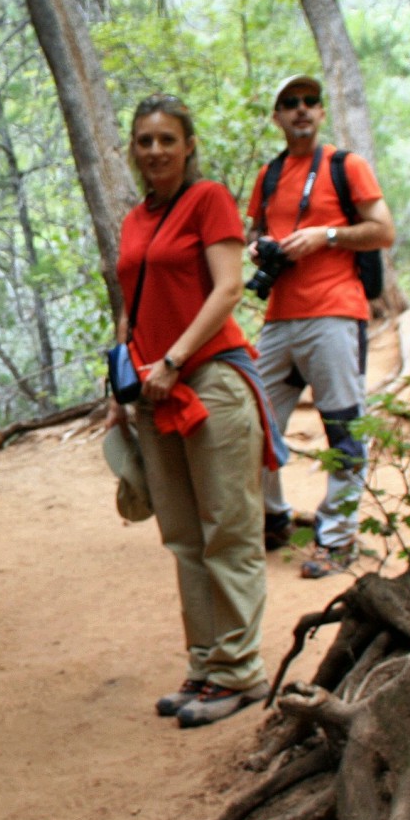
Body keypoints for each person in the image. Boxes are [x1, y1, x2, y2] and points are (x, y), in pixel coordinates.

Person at [111, 95, 287, 728]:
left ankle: (241, 672)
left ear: (188, 146)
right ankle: (207, 662)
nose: (155, 150)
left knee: (228, 529)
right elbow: (134, 300)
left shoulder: (208, 199)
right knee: (184, 536)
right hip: (152, 390)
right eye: (144, 140)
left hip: (207, 381)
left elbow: (229, 288)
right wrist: (122, 380)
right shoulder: (135, 219)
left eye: (166, 139)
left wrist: (176, 359)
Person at [243, 73, 397, 580]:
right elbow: (253, 234)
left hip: (335, 311)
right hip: (280, 319)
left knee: (343, 428)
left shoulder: (345, 166)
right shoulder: (268, 176)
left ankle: (337, 540)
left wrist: (326, 236)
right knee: (256, 425)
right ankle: (273, 518)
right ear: (277, 116)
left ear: (321, 111)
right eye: (290, 103)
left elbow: (383, 230)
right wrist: (255, 248)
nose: (301, 110)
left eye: (310, 101)